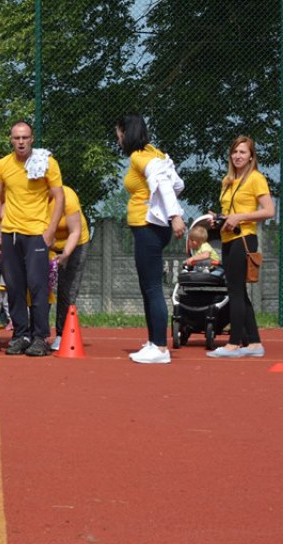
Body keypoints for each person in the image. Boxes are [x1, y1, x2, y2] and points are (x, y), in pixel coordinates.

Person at [115, 114, 186, 364]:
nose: (118, 138)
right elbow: (178, 184)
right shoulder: (154, 152)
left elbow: (166, 186)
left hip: (148, 228)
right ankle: (154, 341)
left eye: (118, 133)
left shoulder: (139, 157)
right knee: (149, 287)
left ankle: (160, 348)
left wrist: (174, 216)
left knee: (152, 288)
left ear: (126, 133)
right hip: (152, 227)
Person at [0, 121, 64, 357]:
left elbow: (59, 197)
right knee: (14, 287)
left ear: (32, 139)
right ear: (11, 140)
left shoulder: (47, 163)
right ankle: (21, 334)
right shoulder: (2, 165)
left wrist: (50, 231)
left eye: (25, 137)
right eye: (16, 138)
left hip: (36, 233)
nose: (21, 142)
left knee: (37, 285)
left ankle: (40, 337)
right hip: (10, 233)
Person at [207, 136, 275, 358]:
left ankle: (234, 343)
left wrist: (240, 217)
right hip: (227, 239)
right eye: (235, 152)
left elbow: (269, 211)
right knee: (238, 291)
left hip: (244, 238)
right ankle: (254, 343)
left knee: (235, 291)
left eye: (243, 152)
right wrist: (219, 220)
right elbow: (229, 213)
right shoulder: (227, 180)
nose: (238, 156)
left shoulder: (256, 178)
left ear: (251, 156)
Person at [49, 186, 91, 352]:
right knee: (41, 288)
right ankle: (37, 333)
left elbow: (75, 231)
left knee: (67, 289)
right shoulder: (33, 196)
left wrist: (65, 254)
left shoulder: (68, 196)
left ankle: (62, 334)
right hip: (49, 243)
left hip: (75, 242)